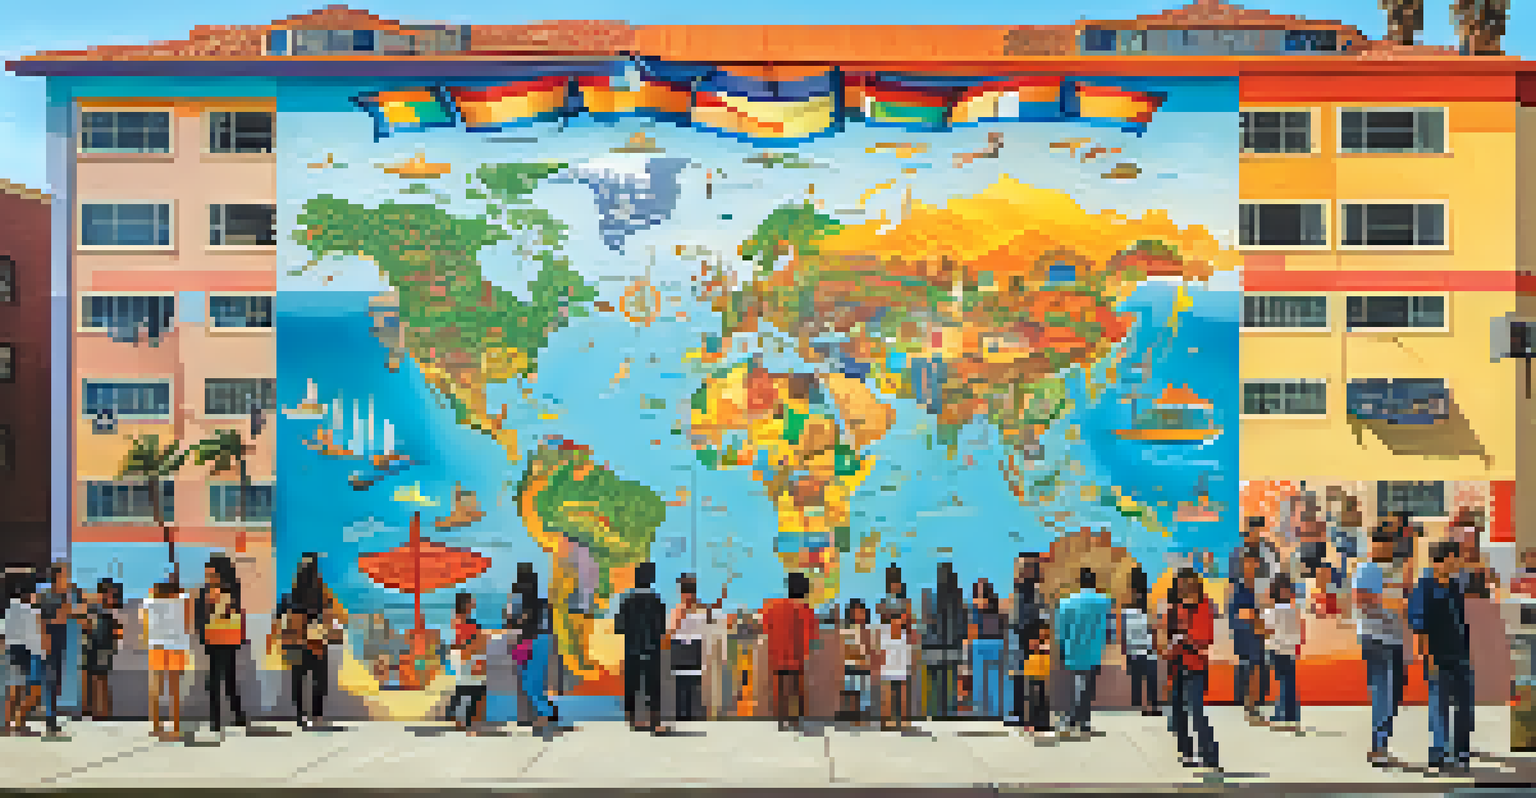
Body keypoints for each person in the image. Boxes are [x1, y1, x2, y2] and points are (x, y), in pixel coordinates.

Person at [1409, 540, 1474, 775]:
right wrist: (1428, 657)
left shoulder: (1455, 585)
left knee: (1465, 706)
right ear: (1442, 560)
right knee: (1440, 706)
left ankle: (1462, 752)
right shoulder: (1425, 587)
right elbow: (1420, 627)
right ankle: (1439, 753)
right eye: (1455, 558)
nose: (1458, 562)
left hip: (1460, 655)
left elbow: (1461, 621)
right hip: (1437, 656)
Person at [1353, 527, 1410, 767]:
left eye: (1388, 543)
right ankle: (1379, 746)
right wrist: (1389, 611)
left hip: (1395, 638)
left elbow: (1404, 601)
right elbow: (1361, 601)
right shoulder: (1367, 569)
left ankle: (1382, 741)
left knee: (1395, 691)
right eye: (1380, 542)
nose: (1384, 546)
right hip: (1376, 637)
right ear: (1373, 545)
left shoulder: (1397, 572)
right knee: (1383, 690)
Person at [271, 553, 344, 730]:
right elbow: (334, 616)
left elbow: (278, 617)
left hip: (296, 643)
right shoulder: (322, 596)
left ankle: (301, 716)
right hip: (316, 643)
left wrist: (278, 637)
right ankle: (316, 716)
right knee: (318, 681)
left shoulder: (289, 597)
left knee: (298, 680)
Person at [1165, 567, 1220, 772]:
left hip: (1196, 666)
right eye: (1181, 585)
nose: (1185, 589)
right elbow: (1166, 636)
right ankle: (1186, 753)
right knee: (1178, 712)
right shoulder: (1174, 608)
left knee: (1196, 711)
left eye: (1188, 584)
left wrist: (1185, 639)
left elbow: (1206, 639)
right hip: (1176, 664)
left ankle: (1210, 756)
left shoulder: (1205, 606)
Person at [1054, 567, 1113, 737]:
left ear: (1080, 582)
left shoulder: (1066, 603)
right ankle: (1084, 719)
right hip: (1094, 650)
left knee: (1075, 684)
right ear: (1094, 582)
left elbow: (1062, 629)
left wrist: (1062, 649)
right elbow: (1110, 626)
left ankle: (1074, 717)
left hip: (1073, 648)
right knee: (1088, 685)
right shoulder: (1105, 602)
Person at [197, 555, 248, 736]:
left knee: (229, 679)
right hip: (212, 640)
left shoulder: (232, 590)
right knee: (213, 681)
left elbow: (236, 614)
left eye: (212, 574)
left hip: (227, 639)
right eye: (207, 575)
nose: (209, 578)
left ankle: (237, 715)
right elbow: (199, 616)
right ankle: (215, 720)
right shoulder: (205, 592)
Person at [762, 571, 818, 733]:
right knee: (796, 689)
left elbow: (766, 626)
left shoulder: (774, 606)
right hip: (797, 655)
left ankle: (781, 720)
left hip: (778, 653)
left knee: (780, 689)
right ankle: (795, 721)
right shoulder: (807, 610)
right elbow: (811, 634)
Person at [616, 562, 666, 733]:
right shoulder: (657, 601)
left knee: (631, 685)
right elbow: (662, 628)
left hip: (631, 648)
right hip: (652, 648)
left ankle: (632, 721)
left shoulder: (627, 600)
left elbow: (619, 627)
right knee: (653, 686)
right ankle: (655, 722)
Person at [142, 574, 194, 741]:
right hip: (177, 645)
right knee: (174, 688)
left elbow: (145, 625)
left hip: (156, 645)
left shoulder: (149, 602)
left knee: (155, 686)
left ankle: (156, 726)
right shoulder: (183, 601)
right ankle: (176, 727)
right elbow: (188, 623)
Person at [510, 568, 559, 735]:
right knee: (537, 683)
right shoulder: (544, 603)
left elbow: (511, 623)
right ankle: (543, 716)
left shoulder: (518, 603)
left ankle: (544, 716)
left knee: (529, 683)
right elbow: (550, 627)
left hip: (527, 644)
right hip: (542, 644)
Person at [35, 562, 82, 735]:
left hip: (60, 637)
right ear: (57, 576)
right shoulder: (47, 594)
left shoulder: (65, 594)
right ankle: (49, 719)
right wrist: (45, 638)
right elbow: (42, 618)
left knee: (57, 680)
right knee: (50, 679)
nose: (68, 577)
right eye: (65, 574)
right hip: (51, 637)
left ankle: (51, 717)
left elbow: (68, 614)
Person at [1006, 554, 1048, 728]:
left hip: (1027, 639)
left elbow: (1038, 616)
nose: (1019, 569)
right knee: (1024, 678)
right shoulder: (1023, 590)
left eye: (1023, 566)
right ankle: (1024, 715)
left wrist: (1035, 637)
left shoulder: (1032, 591)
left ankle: (1029, 715)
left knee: (1030, 679)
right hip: (1023, 638)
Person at [1229, 553, 1269, 726]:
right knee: (1251, 669)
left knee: (1257, 668)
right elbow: (1241, 613)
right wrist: (1258, 621)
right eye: (1247, 564)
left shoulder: (1260, 587)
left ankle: (1253, 705)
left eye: (1254, 563)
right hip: (1245, 634)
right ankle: (1250, 707)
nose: (1251, 567)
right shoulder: (1238, 588)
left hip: (1257, 634)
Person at [922, 562, 965, 720]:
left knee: (934, 681)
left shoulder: (930, 596)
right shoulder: (957, 597)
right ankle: (949, 712)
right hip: (952, 644)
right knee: (950, 680)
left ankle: (934, 712)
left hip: (933, 644)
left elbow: (927, 620)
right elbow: (961, 622)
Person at [3, 569, 43, 736]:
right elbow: (33, 635)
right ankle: (19, 723)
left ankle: (7, 725)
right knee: (23, 690)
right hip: (24, 651)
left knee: (13, 690)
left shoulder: (11, 608)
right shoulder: (28, 610)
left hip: (12, 649)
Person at [1263, 573, 1305, 732]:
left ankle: (1281, 713)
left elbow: (1266, 630)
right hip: (1290, 650)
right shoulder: (1294, 610)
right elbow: (1299, 632)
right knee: (1289, 683)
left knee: (1282, 682)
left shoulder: (1271, 611)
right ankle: (1292, 714)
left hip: (1276, 649)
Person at [666, 574, 710, 723]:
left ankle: (686, 718)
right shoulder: (698, 610)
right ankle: (686, 718)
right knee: (687, 687)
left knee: (686, 687)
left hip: (687, 650)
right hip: (687, 650)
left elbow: (670, 631)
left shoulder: (680, 610)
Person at [80, 579, 123, 721]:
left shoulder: (113, 610)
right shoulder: (93, 607)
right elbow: (84, 625)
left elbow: (118, 631)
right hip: (91, 646)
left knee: (101, 681)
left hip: (103, 647)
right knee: (89, 680)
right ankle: (89, 713)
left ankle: (103, 714)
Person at [968, 579, 1007, 720]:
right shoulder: (997, 605)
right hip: (996, 643)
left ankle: (984, 713)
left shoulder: (974, 606)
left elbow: (972, 627)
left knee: (982, 681)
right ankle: (995, 712)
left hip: (983, 643)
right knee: (994, 680)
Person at [446, 593, 484, 733]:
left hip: (461, 655)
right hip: (464, 655)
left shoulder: (459, 620)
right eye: (470, 603)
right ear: (465, 604)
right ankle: (461, 718)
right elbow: (464, 640)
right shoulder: (461, 620)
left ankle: (460, 718)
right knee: (472, 688)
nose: (472, 605)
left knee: (466, 688)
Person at [1121, 575, 1159, 717]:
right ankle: (1151, 706)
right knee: (1150, 681)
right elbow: (1154, 630)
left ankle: (1139, 706)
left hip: (1135, 649)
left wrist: (1125, 651)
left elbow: (1124, 633)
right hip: (1146, 649)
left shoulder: (1128, 610)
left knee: (1137, 680)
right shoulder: (1149, 608)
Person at [877, 598, 915, 732]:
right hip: (888, 669)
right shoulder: (884, 632)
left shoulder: (906, 634)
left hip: (901, 669)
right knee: (887, 696)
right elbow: (880, 652)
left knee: (902, 696)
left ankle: (903, 721)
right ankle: (887, 721)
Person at [839, 598, 875, 726]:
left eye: (861, 612)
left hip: (864, 667)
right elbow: (841, 648)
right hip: (848, 666)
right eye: (856, 612)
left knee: (865, 695)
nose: (859, 615)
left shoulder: (868, 630)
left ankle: (861, 718)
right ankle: (852, 718)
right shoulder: (844, 629)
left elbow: (871, 649)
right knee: (851, 692)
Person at [1019, 619, 1053, 734]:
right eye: (1042, 630)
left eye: (1045, 630)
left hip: (1045, 671)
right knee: (1032, 698)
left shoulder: (1049, 640)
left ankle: (1043, 723)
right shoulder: (1033, 640)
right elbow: (1033, 647)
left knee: (1044, 699)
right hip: (1033, 670)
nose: (1043, 632)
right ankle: (1030, 723)